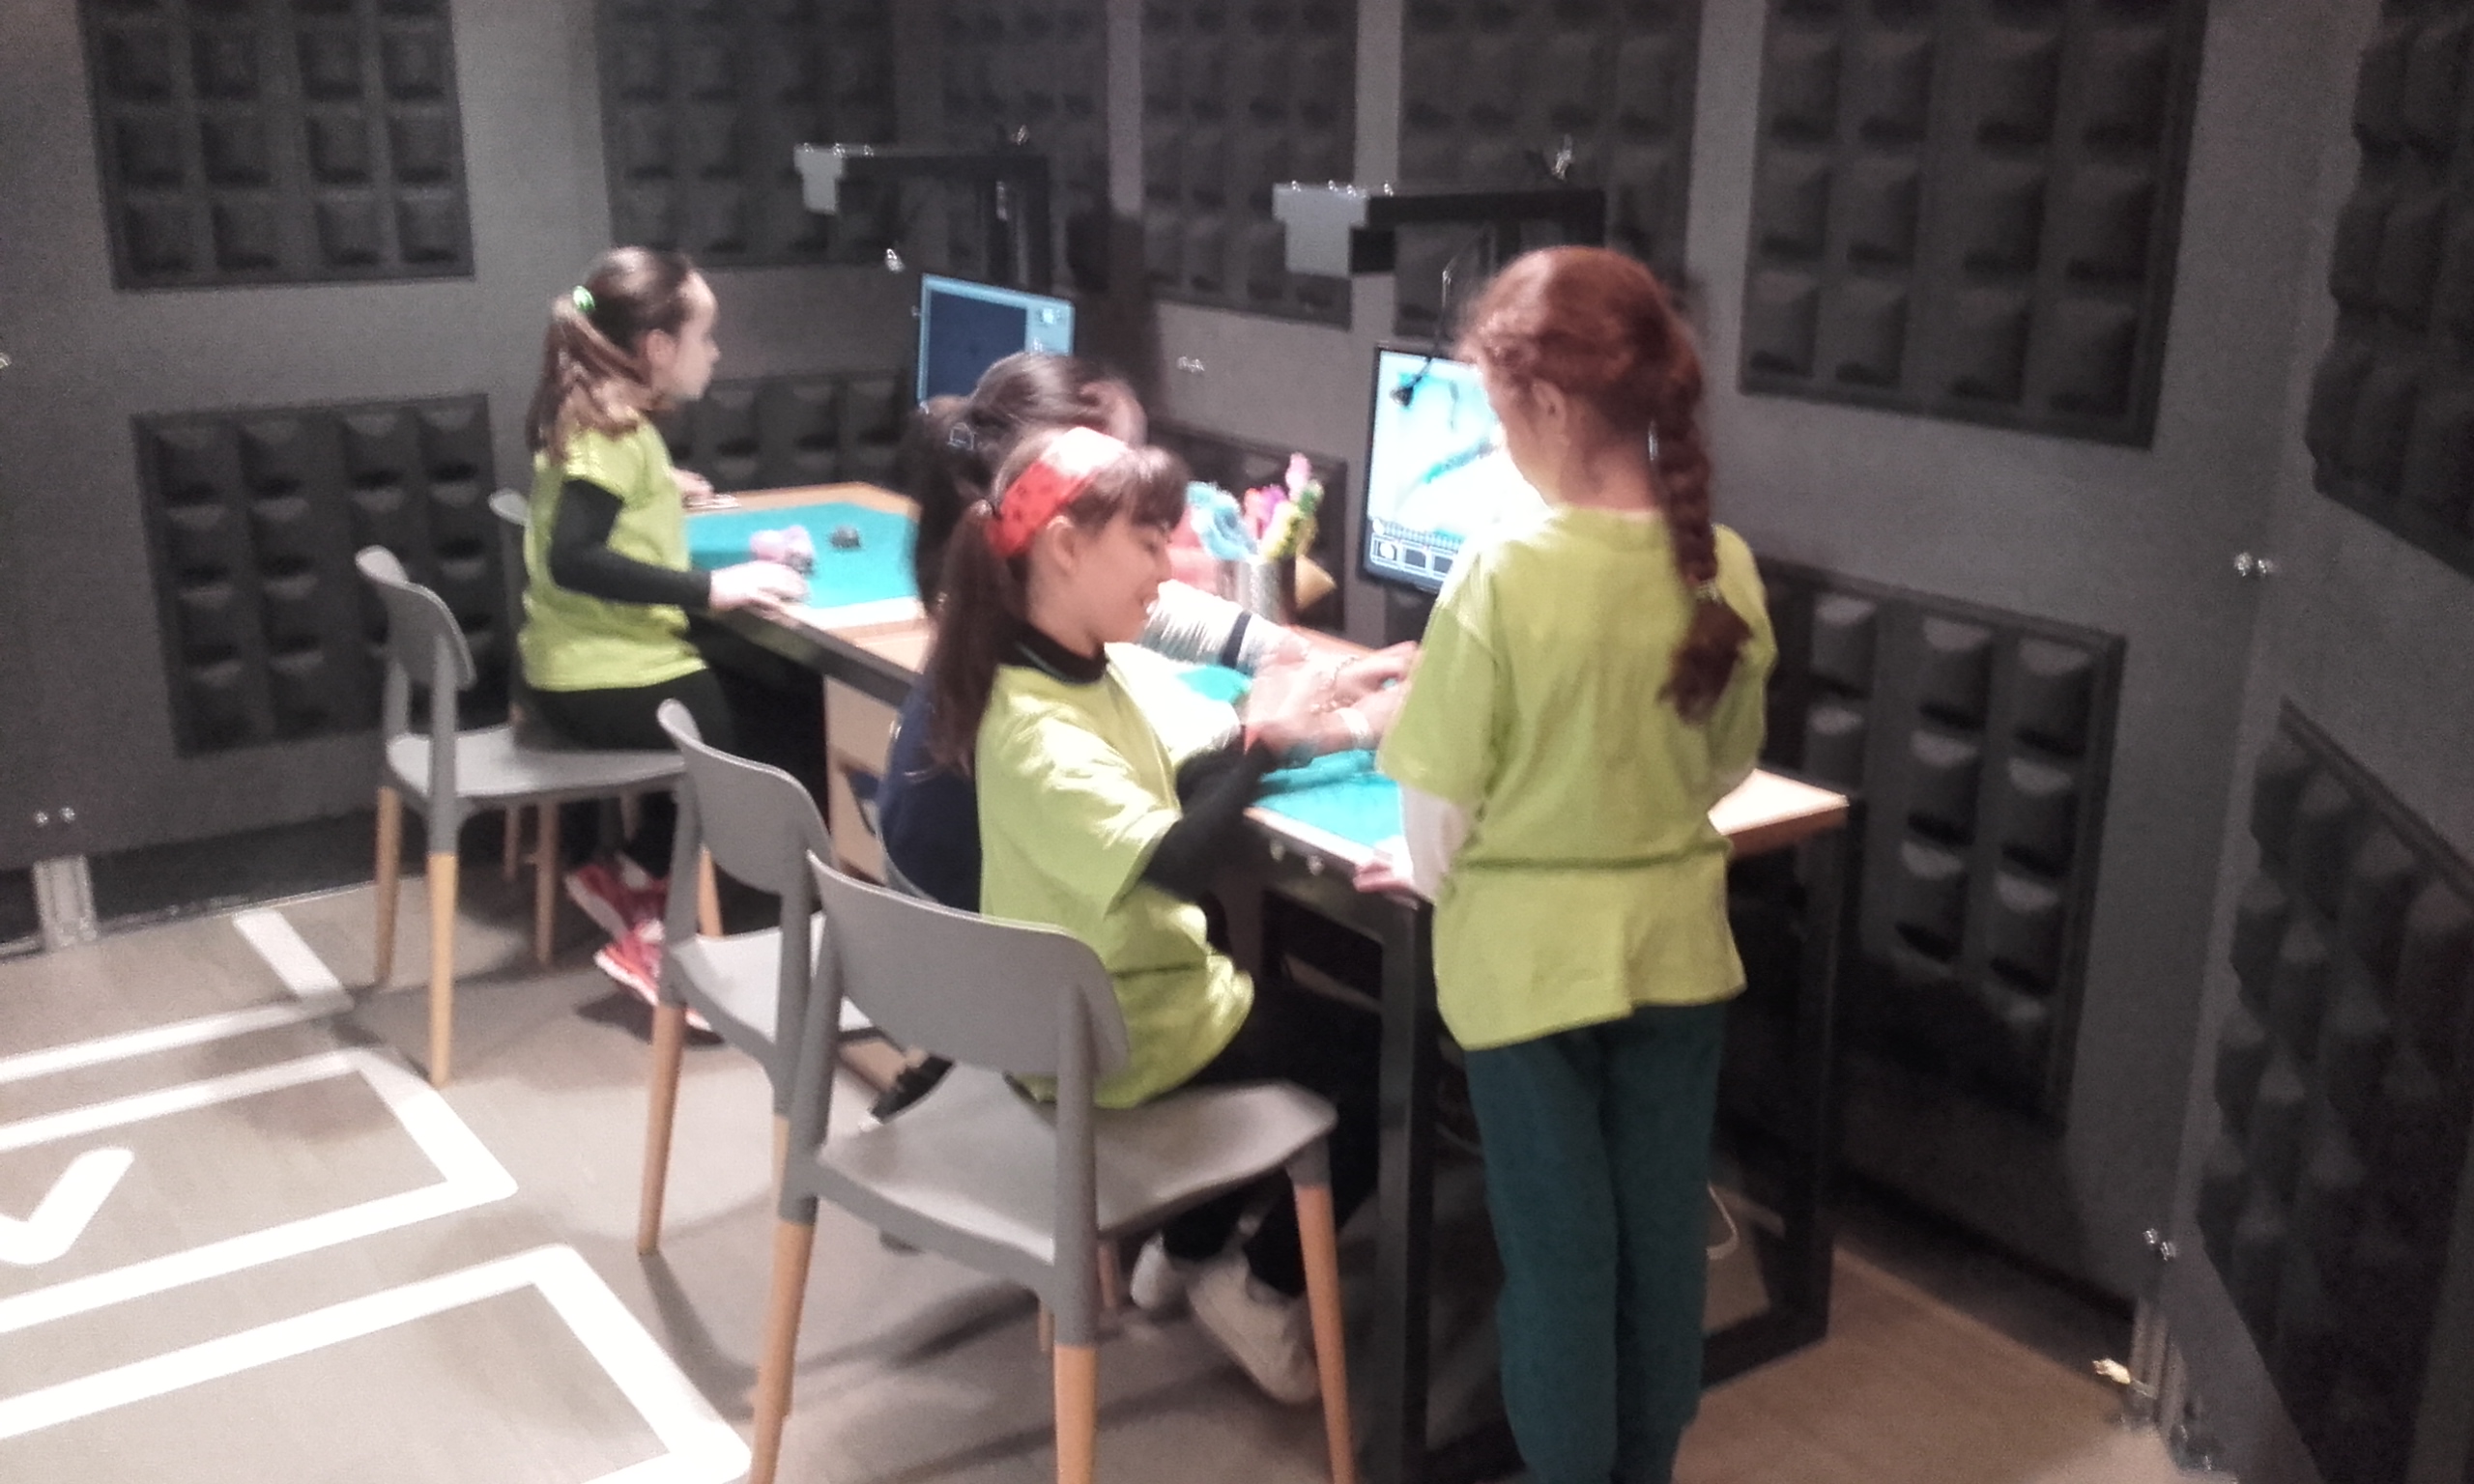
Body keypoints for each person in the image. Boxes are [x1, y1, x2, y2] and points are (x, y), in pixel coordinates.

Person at [1361, 246, 1778, 1484]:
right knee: (1658, 1247)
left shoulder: (1499, 571)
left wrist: (1427, 871)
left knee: (1557, 1263)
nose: (1499, 443)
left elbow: (1438, 809)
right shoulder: (1723, 567)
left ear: (1544, 404)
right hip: (1676, 958)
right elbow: (1724, 766)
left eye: (1498, 417)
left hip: (1526, 982)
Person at [937, 425, 1385, 1405]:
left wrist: (1326, 719)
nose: (1168, 568)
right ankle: (1258, 1290)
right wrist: (1266, 747)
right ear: (1065, 548)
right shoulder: (1035, 730)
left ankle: (1182, 1253)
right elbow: (1180, 865)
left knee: (1278, 1013)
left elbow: (1192, 763)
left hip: (1123, 1001)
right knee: (1384, 1071)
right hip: (1121, 1029)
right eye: (1147, 544)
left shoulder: (1077, 668)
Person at [514, 246, 811, 1004]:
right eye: (704, 337)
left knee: (775, 696)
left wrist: (656, 487)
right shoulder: (616, 435)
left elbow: (589, 505)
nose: (715, 353)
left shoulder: (597, 419)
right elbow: (573, 557)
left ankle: (631, 874)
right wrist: (712, 588)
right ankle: (657, 940)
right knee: (782, 740)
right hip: (605, 676)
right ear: (657, 348)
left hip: (574, 668)